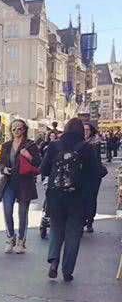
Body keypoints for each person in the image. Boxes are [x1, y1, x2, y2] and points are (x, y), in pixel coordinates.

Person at [40, 117, 100, 281]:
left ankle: (53, 261)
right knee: (73, 233)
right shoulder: (87, 148)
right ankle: (67, 270)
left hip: (55, 196)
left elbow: (43, 169)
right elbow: (95, 174)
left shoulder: (54, 146)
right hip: (77, 198)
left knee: (56, 228)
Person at [0, 118, 42, 253]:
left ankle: (21, 241)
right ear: (11, 130)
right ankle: (10, 237)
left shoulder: (30, 145)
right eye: (14, 129)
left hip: (24, 183)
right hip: (9, 182)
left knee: (22, 214)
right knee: (7, 211)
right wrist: (3, 169)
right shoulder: (6, 145)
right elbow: (1, 163)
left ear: (24, 129)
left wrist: (28, 156)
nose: (16, 131)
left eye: (19, 128)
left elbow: (39, 163)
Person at [83, 122, 106, 232]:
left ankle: (90, 221)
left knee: (91, 198)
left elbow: (95, 160)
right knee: (82, 198)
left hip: (93, 175)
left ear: (91, 131)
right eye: (84, 130)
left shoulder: (95, 142)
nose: (85, 132)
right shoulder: (80, 142)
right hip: (82, 174)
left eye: (87, 130)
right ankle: (82, 219)